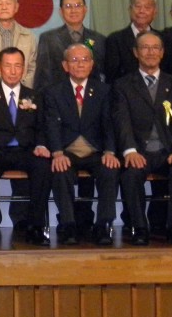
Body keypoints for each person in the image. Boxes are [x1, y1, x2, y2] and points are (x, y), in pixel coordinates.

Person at [112, 31, 172, 246]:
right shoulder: (123, 85)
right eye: (145, 48)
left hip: (169, 151)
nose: (150, 52)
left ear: (162, 52)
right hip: (140, 151)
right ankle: (139, 228)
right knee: (130, 174)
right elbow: (122, 121)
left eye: (155, 48)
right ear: (136, 53)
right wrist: (130, 151)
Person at [0, 47, 52, 246]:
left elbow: (43, 127)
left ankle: (35, 226)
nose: (13, 71)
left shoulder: (35, 96)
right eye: (8, 66)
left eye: (18, 66)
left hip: (27, 150)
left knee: (43, 165)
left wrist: (41, 144)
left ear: (23, 69)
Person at [40, 43, 120, 246]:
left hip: (95, 151)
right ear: (65, 65)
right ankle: (68, 225)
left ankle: (103, 225)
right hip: (67, 150)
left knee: (110, 170)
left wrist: (110, 151)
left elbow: (109, 124)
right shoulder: (53, 91)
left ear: (92, 64)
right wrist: (57, 152)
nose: (80, 64)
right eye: (74, 60)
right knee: (60, 170)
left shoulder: (103, 90)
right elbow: (51, 124)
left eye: (85, 60)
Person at [33, 0, 105, 91]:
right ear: (61, 11)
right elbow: (42, 76)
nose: (73, 10)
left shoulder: (98, 39)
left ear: (85, 9)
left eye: (77, 5)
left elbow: (101, 74)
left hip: (91, 98)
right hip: (57, 99)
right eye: (68, 6)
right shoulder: (48, 39)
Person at [104, 0, 161, 83]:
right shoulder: (115, 40)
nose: (142, 11)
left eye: (147, 7)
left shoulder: (163, 38)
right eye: (138, 6)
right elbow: (111, 76)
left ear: (155, 12)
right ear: (130, 10)